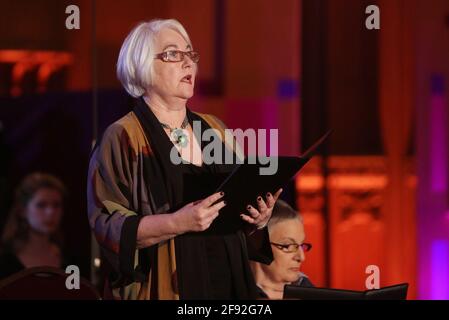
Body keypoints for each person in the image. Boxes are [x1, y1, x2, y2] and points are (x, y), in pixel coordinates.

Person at [87, 18, 282, 300]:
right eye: (173, 54)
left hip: (228, 282)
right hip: (169, 286)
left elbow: (238, 203)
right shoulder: (123, 136)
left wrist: (257, 219)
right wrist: (180, 222)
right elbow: (108, 225)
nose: (188, 63)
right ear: (143, 67)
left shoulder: (215, 129)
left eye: (190, 54)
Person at [0, 173, 67, 280]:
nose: (50, 212)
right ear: (23, 210)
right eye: (41, 205)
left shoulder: (68, 259)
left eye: (56, 205)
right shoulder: (5, 261)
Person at [250, 200, 314, 299]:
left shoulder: (308, 291)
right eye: (288, 245)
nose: (301, 257)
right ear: (258, 245)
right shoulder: (227, 293)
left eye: (301, 245)